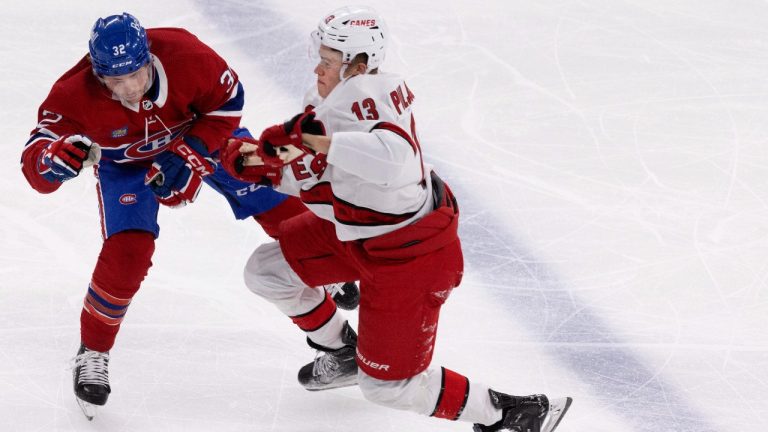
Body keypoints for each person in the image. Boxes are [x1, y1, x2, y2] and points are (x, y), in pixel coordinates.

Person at [221, 6, 572, 432]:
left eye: (330, 61)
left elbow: (394, 160)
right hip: (358, 236)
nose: (318, 67)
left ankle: (514, 413)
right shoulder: (340, 99)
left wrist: (303, 147)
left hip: (411, 260)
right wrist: (261, 161)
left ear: (359, 64)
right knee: (267, 270)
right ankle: (342, 350)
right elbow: (318, 171)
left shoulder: (365, 105)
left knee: (389, 388)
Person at [19, 12, 358, 419]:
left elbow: (228, 104)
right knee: (128, 253)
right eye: (114, 81)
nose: (128, 89)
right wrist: (52, 161)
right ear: (97, 74)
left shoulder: (184, 53)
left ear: (150, 58)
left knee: (277, 201)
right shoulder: (72, 97)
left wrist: (193, 153)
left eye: (136, 75)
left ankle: (328, 270)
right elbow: (36, 170)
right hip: (127, 168)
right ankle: (93, 351)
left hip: (202, 137)